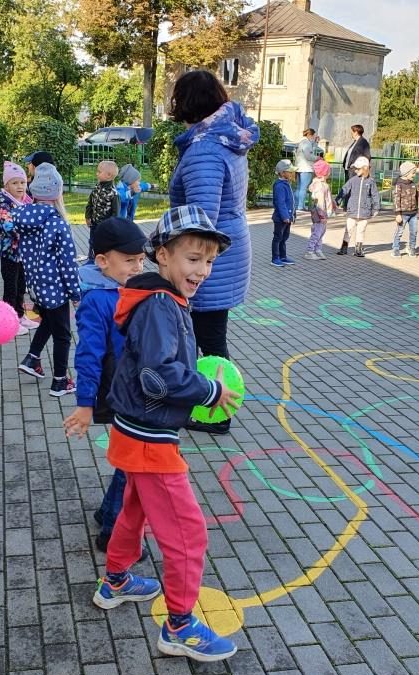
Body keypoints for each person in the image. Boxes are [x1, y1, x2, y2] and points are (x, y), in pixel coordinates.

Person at [93, 204, 242, 662]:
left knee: (133, 512)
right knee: (188, 535)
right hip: (149, 437)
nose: (203, 270)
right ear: (162, 255)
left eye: (209, 261)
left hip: (136, 430)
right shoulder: (160, 304)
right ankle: (179, 625)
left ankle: (115, 581)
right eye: (193, 259)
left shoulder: (164, 299)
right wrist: (209, 390)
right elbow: (157, 375)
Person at [167, 70, 258, 435]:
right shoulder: (226, 138)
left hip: (210, 259)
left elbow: (201, 222)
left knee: (208, 338)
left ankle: (218, 413)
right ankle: (208, 403)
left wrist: (181, 263)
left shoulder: (205, 149)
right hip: (224, 253)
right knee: (207, 335)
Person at [63, 218, 147, 552]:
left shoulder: (127, 286)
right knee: (135, 462)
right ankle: (112, 531)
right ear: (102, 261)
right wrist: (85, 404)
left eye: (141, 260)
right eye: (129, 261)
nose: (138, 267)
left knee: (132, 460)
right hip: (118, 393)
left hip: (135, 388)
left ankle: (106, 513)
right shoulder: (97, 301)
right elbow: (88, 355)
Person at [12, 163, 81, 397]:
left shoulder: (23, 217)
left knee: (49, 322)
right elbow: (68, 264)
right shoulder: (58, 223)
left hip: (37, 286)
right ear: (57, 192)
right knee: (63, 335)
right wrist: (76, 294)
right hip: (56, 289)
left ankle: (32, 358)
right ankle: (60, 381)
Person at [0, 161, 38, 336]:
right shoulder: (3, 203)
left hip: (22, 252)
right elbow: (7, 224)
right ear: (6, 186)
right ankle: (8, 321)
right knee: (11, 288)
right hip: (9, 252)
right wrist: (28, 232)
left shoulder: (25, 200)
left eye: (22, 182)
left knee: (21, 286)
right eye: (15, 183)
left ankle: (19, 315)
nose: (20, 186)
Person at [336, 156, 380, 258]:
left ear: (365, 168)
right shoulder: (353, 180)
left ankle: (358, 250)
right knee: (348, 229)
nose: (355, 171)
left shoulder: (371, 182)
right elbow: (344, 190)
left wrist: (376, 208)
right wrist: (337, 201)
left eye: (358, 168)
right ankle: (344, 248)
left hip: (364, 212)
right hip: (352, 211)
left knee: (361, 231)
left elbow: (375, 195)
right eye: (355, 168)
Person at [85, 160, 120, 262]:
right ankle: (91, 260)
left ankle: (104, 261)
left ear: (108, 175)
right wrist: (88, 216)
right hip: (94, 223)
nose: (97, 173)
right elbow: (90, 203)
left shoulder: (114, 193)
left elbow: (115, 214)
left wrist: (110, 227)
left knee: (104, 244)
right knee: (92, 241)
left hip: (105, 227)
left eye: (99, 172)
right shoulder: (96, 188)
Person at [305, 158, 334, 260]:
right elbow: (320, 202)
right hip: (319, 214)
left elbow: (328, 198)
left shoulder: (323, 185)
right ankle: (310, 251)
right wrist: (322, 216)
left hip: (322, 213)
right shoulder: (320, 186)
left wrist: (333, 206)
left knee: (321, 232)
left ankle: (318, 249)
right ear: (325, 173)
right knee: (317, 233)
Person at [271, 159, 297, 266]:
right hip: (281, 218)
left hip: (288, 217)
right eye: (289, 172)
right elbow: (280, 203)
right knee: (278, 237)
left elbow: (291, 202)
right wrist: (285, 216)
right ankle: (275, 258)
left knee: (284, 238)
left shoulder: (286, 183)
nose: (291, 173)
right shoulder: (279, 186)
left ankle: (283, 256)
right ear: (282, 173)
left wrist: (293, 215)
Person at [392, 161, 419, 258]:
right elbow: (396, 200)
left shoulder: (413, 184)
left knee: (414, 231)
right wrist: (398, 214)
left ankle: (412, 248)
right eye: (413, 173)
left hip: (413, 213)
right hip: (403, 213)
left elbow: (416, 198)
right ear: (406, 173)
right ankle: (395, 249)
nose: (414, 175)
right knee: (399, 231)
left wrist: (416, 210)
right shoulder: (399, 185)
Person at [294, 127, 320, 210]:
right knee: (303, 188)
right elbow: (308, 156)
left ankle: (296, 205)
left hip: (299, 168)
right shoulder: (306, 143)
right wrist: (317, 158)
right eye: (313, 136)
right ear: (310, 135)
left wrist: (315, 143)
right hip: (306, 168)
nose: (314, 137)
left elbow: (310, 150)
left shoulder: (302, 142)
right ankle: (301, 206)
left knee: (298, 187)